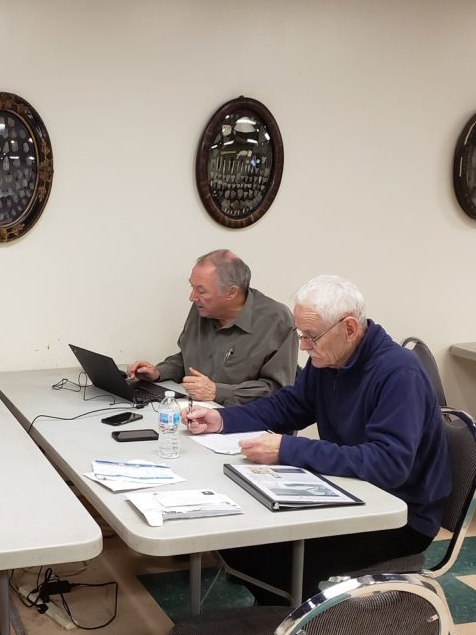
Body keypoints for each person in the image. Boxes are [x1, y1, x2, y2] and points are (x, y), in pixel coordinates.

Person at [186, 275, 450, 603]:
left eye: (311, 337)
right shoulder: (330, 358)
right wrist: (224, 419)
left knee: (272, 556)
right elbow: (289, 406)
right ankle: (280, 621)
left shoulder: (399, 374)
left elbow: (389, 464)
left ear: (350, 328)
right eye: (301, 335)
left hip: (401, 514)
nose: (304, 347)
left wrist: (288, 448)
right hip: (350, 491)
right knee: (243, 541)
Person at [126, 250, 296, 406]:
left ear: (231, 292)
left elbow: (278, 389)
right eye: (192, 287)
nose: (192, 297)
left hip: (247, 422)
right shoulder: (202, 309)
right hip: (195, 413)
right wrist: (158, 372)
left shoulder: (276, 320)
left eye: (201, 291)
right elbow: (186, 358)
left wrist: (217, 392)